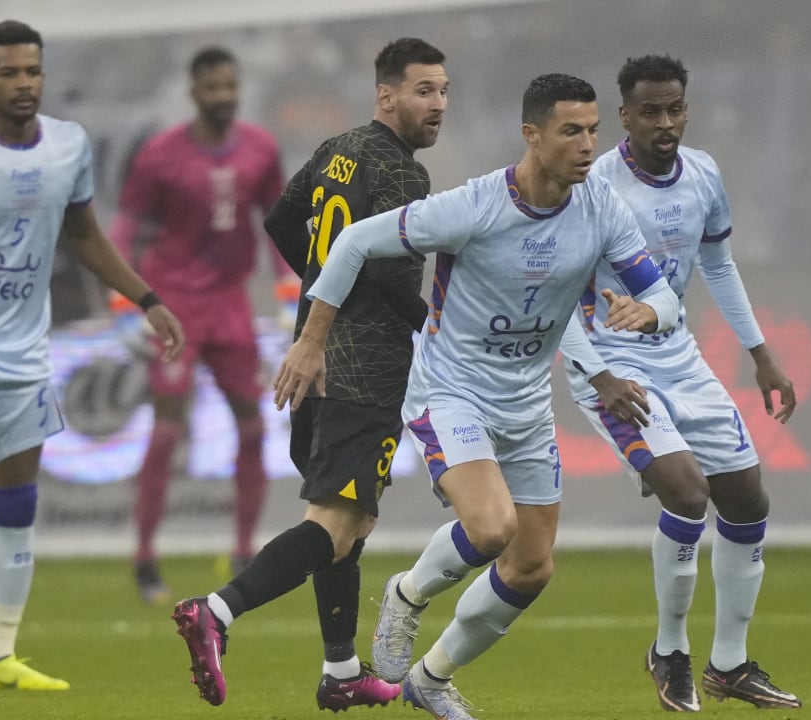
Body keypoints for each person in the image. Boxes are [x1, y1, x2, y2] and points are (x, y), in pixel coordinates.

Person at [272, 73, 680, 720]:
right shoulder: (473, 207)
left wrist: (645, 313)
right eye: (571, 130)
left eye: (594, 130)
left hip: (526, 404)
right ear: (532, 135)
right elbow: (352, 242)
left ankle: (432, 678)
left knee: (531, 568)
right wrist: (312, 340)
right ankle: (406, 595)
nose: (587, 144)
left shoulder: (600, 207)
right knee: (491, 529)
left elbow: (661, 292)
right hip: (450, 391)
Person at [170, 38, 448, 711]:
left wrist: (323, 285)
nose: (438, 105)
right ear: (386, 95)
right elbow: (384, 271)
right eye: (423, 91)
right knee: (336, 523)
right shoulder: (405, 176)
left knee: (346, 523)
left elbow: (281, 219)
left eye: (443, 91)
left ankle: (342, 670)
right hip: (363, 370)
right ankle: (217, 610)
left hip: (311, 356)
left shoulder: (338, 150)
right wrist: (436, 328)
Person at [557, 55, 801, 712]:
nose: (666, 123)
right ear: (626, 116)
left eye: (676, 109)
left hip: (680, 356)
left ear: (685, 109)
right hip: (611, 365)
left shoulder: (704, 175)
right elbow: (555, 298)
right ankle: (669, 651)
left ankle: (730, 664)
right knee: (687, 493)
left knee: (747, 499)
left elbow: (717, 264)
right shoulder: (594, 186)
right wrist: (601, 376)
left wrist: (762, 355)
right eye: (652, 112)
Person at [0, 19, 184, 690]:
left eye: (32, 70)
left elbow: (85, 232)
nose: (24, 82)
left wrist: (145, 298)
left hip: (24, 351)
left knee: (14, 502)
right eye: (8, 72)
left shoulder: (68, 146)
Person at [108, 46, 288, 603]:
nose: (223, 97)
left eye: (230, 86)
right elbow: (124, 229)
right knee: (166, 429)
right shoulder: (161, 156)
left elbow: (278, 225)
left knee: (254, 426)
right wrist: (124, 308)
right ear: (193, 91)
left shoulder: (261, 149)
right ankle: (144, 557)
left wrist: (289, 290)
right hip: (176, 305)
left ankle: (243, 549)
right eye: (213, 88)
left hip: (231, 304)